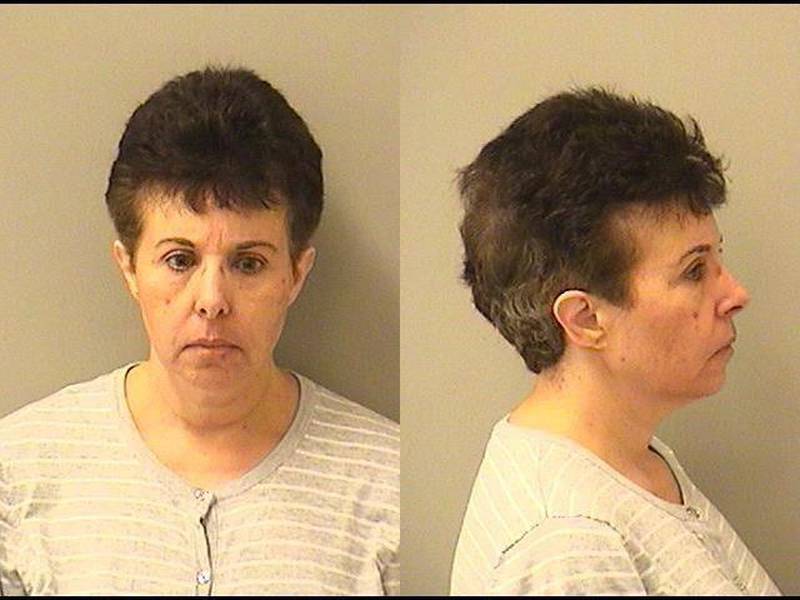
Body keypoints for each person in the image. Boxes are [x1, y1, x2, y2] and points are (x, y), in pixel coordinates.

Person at [0, 66, 399, 596]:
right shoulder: (20, 473)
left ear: (296, 275)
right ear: (129, 269)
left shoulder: (388, 484)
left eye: (249, 264)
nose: (212, 300)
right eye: (179, 259)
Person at [450, 88, 780, 595]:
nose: (736, 294)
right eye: (695, 271)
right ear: (585, 318)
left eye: (718, 257)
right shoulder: (567, 546)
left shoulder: (630, 459)